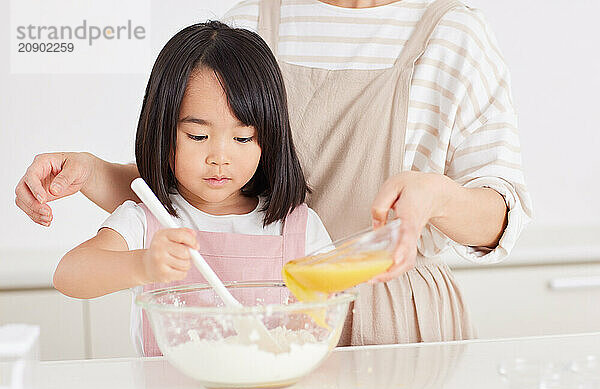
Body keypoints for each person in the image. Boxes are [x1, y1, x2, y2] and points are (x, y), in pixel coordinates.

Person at [16, 0, 533, 346]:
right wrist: (89, 171)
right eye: (201, 136)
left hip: (397, 320)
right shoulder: (252, 21)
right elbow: (187, 188)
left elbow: (501, 214)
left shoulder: (455, 33)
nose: (225, 150)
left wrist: (437, 198)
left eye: (245, 137)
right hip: (267, 322)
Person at [52, 21, 332, 356]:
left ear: (269, 140)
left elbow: (330, 308)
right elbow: (68, 274)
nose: (219, 158)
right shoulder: (149, 221)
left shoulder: (297, 227)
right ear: (162, 132)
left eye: (243, 138)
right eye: (198, 136)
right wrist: (143, 265)